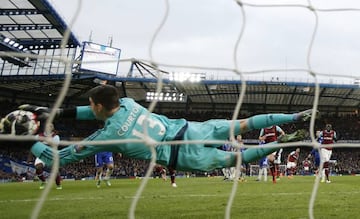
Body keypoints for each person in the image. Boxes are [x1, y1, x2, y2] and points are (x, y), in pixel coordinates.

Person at [5, 84, 311, 173]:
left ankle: (281, 146)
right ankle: (294, 117)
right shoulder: (127, 103)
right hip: (193, 129)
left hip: (182, 156)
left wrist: (31, 140)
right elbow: (91, 109)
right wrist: (55, 111)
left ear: (99, 107)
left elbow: (61, 157)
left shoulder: (107, 136)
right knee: (242, 123)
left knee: (239, 159)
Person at [34, 123, 62, 190]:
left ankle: (58, 184)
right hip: (42, 154)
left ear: (53, 128)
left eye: (51, 126)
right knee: (38, 167)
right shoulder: (39, 136)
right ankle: (43, 181)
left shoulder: (56, 136)